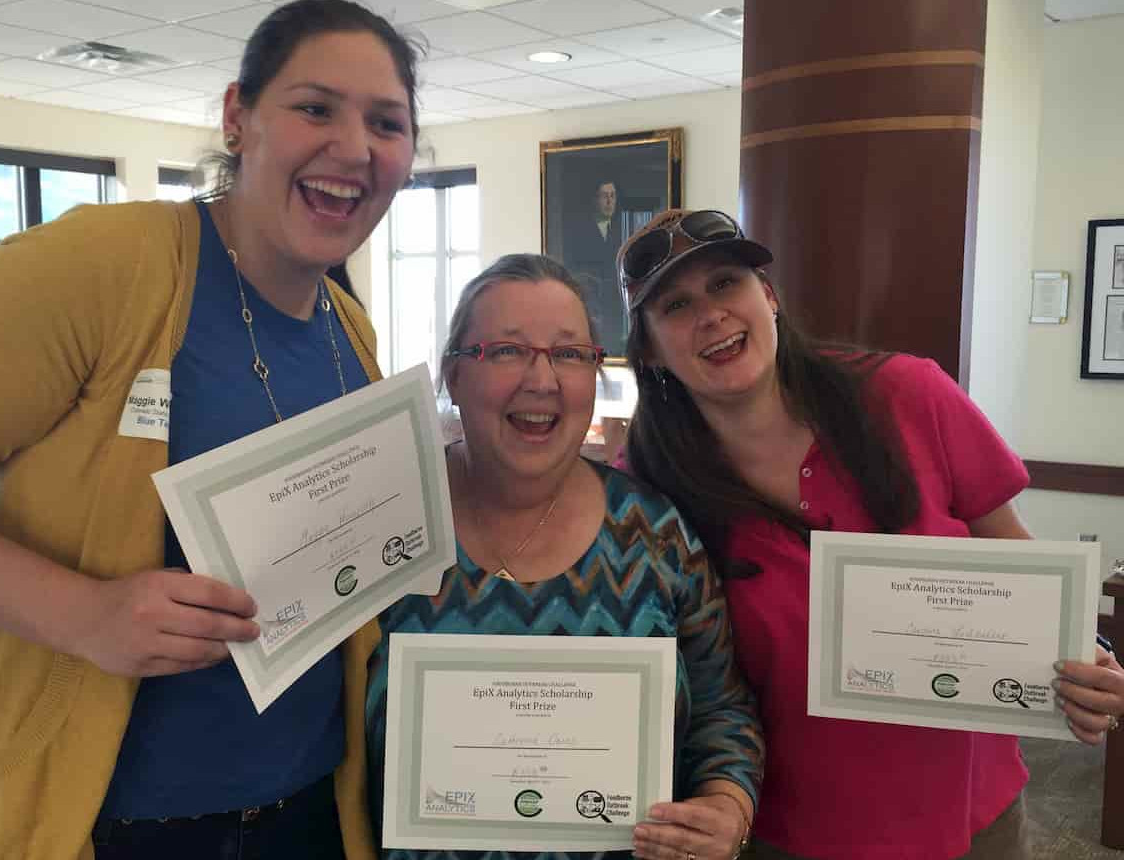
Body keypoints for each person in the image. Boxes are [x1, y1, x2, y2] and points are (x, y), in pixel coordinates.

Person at [0, 2, 418, 856]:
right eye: (314, 107)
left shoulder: (351, 330)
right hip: (100, 824)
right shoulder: (103, 268)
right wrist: (84, 614)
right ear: (237, 117)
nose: (354, 148)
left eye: (387, 123)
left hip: (308, 813)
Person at [614, 209, 1124, 860]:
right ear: (650, 348)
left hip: (970, 816)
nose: (710, 314)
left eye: (725, 284)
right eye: (675, 305)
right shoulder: (646, 490)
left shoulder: (907, 395)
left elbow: (1015, 561)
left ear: (768, 297)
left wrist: (1086, 657)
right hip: (784, 834)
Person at [344, 254, 764, 860]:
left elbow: (723, 711)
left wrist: (728, 806)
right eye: (507, 351)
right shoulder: (383, 524)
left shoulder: (655, 534)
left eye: (569, 354)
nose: (542, 379)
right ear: (453, 376)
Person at [566, 181, 628, 354]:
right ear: (595, 200)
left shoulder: (621, 229)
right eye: (604, 196)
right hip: (591, 302)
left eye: (612, 196)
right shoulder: (578, 230)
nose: (609, 201)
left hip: (614, 305)